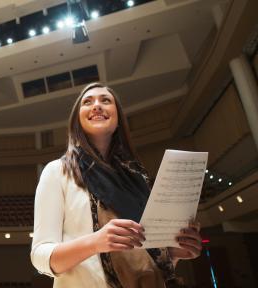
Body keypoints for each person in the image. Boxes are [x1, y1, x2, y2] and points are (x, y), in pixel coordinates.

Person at [30, 82, 202, 287]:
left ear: (118, 117)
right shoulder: (57, 171)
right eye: (87, 102)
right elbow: (40, 257)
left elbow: (145, 261)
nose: (97, 106)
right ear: (77, 120)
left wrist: (173, 254)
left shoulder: (138, 178)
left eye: (105, 101)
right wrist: (95, 243)